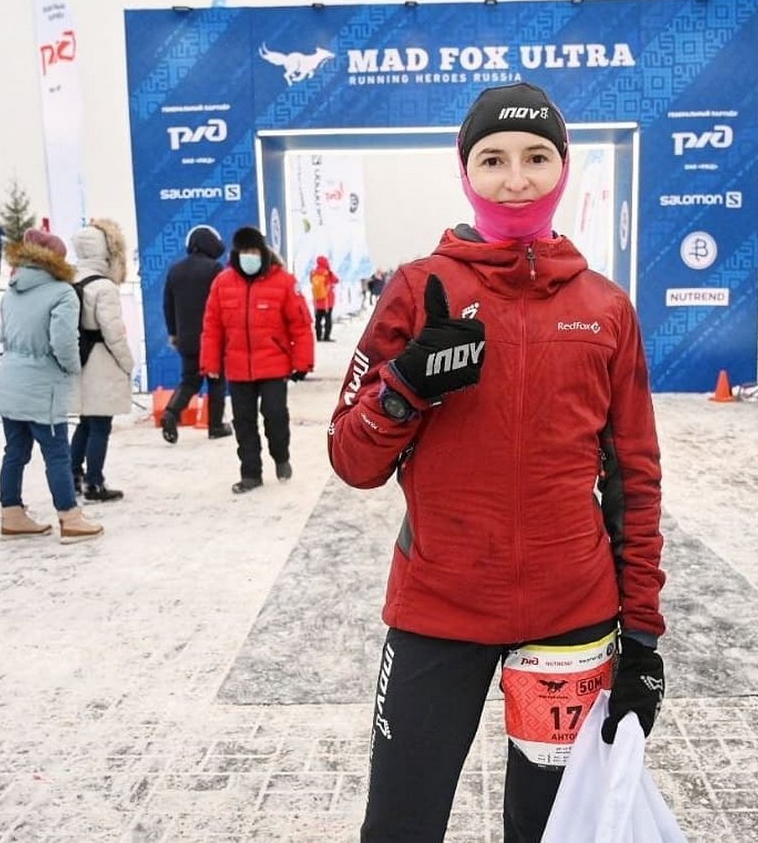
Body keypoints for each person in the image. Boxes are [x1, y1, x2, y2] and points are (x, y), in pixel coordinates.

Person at [328, 82, 666, 842]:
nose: (516, 178)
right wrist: (404, 389)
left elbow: (636, 479)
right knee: (400, 826)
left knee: (548, 830)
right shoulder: (418, 289)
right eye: (493, 159)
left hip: (571, 616)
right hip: (438, 606)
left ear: (564, 167)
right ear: (465, 172)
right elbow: (350, 459)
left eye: (536, 157)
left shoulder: (606, 307)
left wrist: (641, 635)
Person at [0, 228, 103, 543]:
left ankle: (11, 515)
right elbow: (64, 343)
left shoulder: (11, 290)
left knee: (15, 451)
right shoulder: (62, 293)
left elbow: (4, 336)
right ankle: (70, 518)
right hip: (43, 388)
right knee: (57, 454)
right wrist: (73, 369)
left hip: (10, 382)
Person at [200, 226, 315, 494]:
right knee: (244, 422)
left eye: (253, 251)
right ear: (236, 254)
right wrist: (211, 363)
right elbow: (212, 327)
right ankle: (250, 473)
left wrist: (302, 363)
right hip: (238, 368)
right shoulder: (222, 283)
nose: (249, 256)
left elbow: (300, 325)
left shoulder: (284, 282)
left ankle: (281, 455)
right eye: (244, 252)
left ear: (262, 253)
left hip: (274, 365)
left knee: (275, 416)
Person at [69, 218, 135, 502]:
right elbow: (113, 331)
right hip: (101, 360)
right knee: (100, 425)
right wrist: (127, 363)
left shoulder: (70, 280)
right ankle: (94, 482)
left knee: (85, 422)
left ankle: (72, 474)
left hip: (79, 356)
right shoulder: (104, 287)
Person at [160, 224, 232, 444]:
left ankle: (171, 412)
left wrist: (173, 332)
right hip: (212, 337)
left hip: (186, 337)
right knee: (216, 381)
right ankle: (216, 425)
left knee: (190, 380)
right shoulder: (215, 269)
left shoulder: (175, 270)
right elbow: (224, 303)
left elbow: (167, 305)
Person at [310, 254, 339, 341]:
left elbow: (311, 282)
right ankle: (326, 336)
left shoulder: (314, 272)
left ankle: (318, 336)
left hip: (317, 301)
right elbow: (336, 280)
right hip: (327, 301)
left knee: (318, 320)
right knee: (328, 319)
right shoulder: (328, 273)